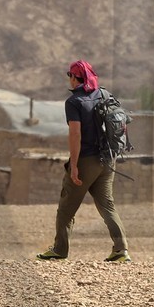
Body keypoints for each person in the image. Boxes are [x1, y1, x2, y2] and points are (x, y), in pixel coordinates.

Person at [38, 59, 130, 263]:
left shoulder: (74, 102)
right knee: (107, 205)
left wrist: (74, 166)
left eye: (69, 75)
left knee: (66, 208)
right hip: (107, 160)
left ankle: (60, 250)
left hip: (86, 159)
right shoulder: (104, 94)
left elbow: (75, 135)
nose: (69, 80)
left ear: (74, 77)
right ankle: (121, 250)